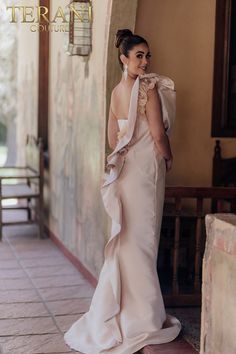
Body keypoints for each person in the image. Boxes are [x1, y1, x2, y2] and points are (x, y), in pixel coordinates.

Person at [64, 28, 181, 354]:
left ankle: (123, 314)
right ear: (124, 58)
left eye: (147, 55)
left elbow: (113, 140)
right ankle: (141, 320)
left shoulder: (117, 91)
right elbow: (158, 134)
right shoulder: (149, 89)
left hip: (127, 175)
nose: (145, 61)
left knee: (129, 242)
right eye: (139, 56)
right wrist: (169, 156)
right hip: (145, 175)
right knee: (142, 243)